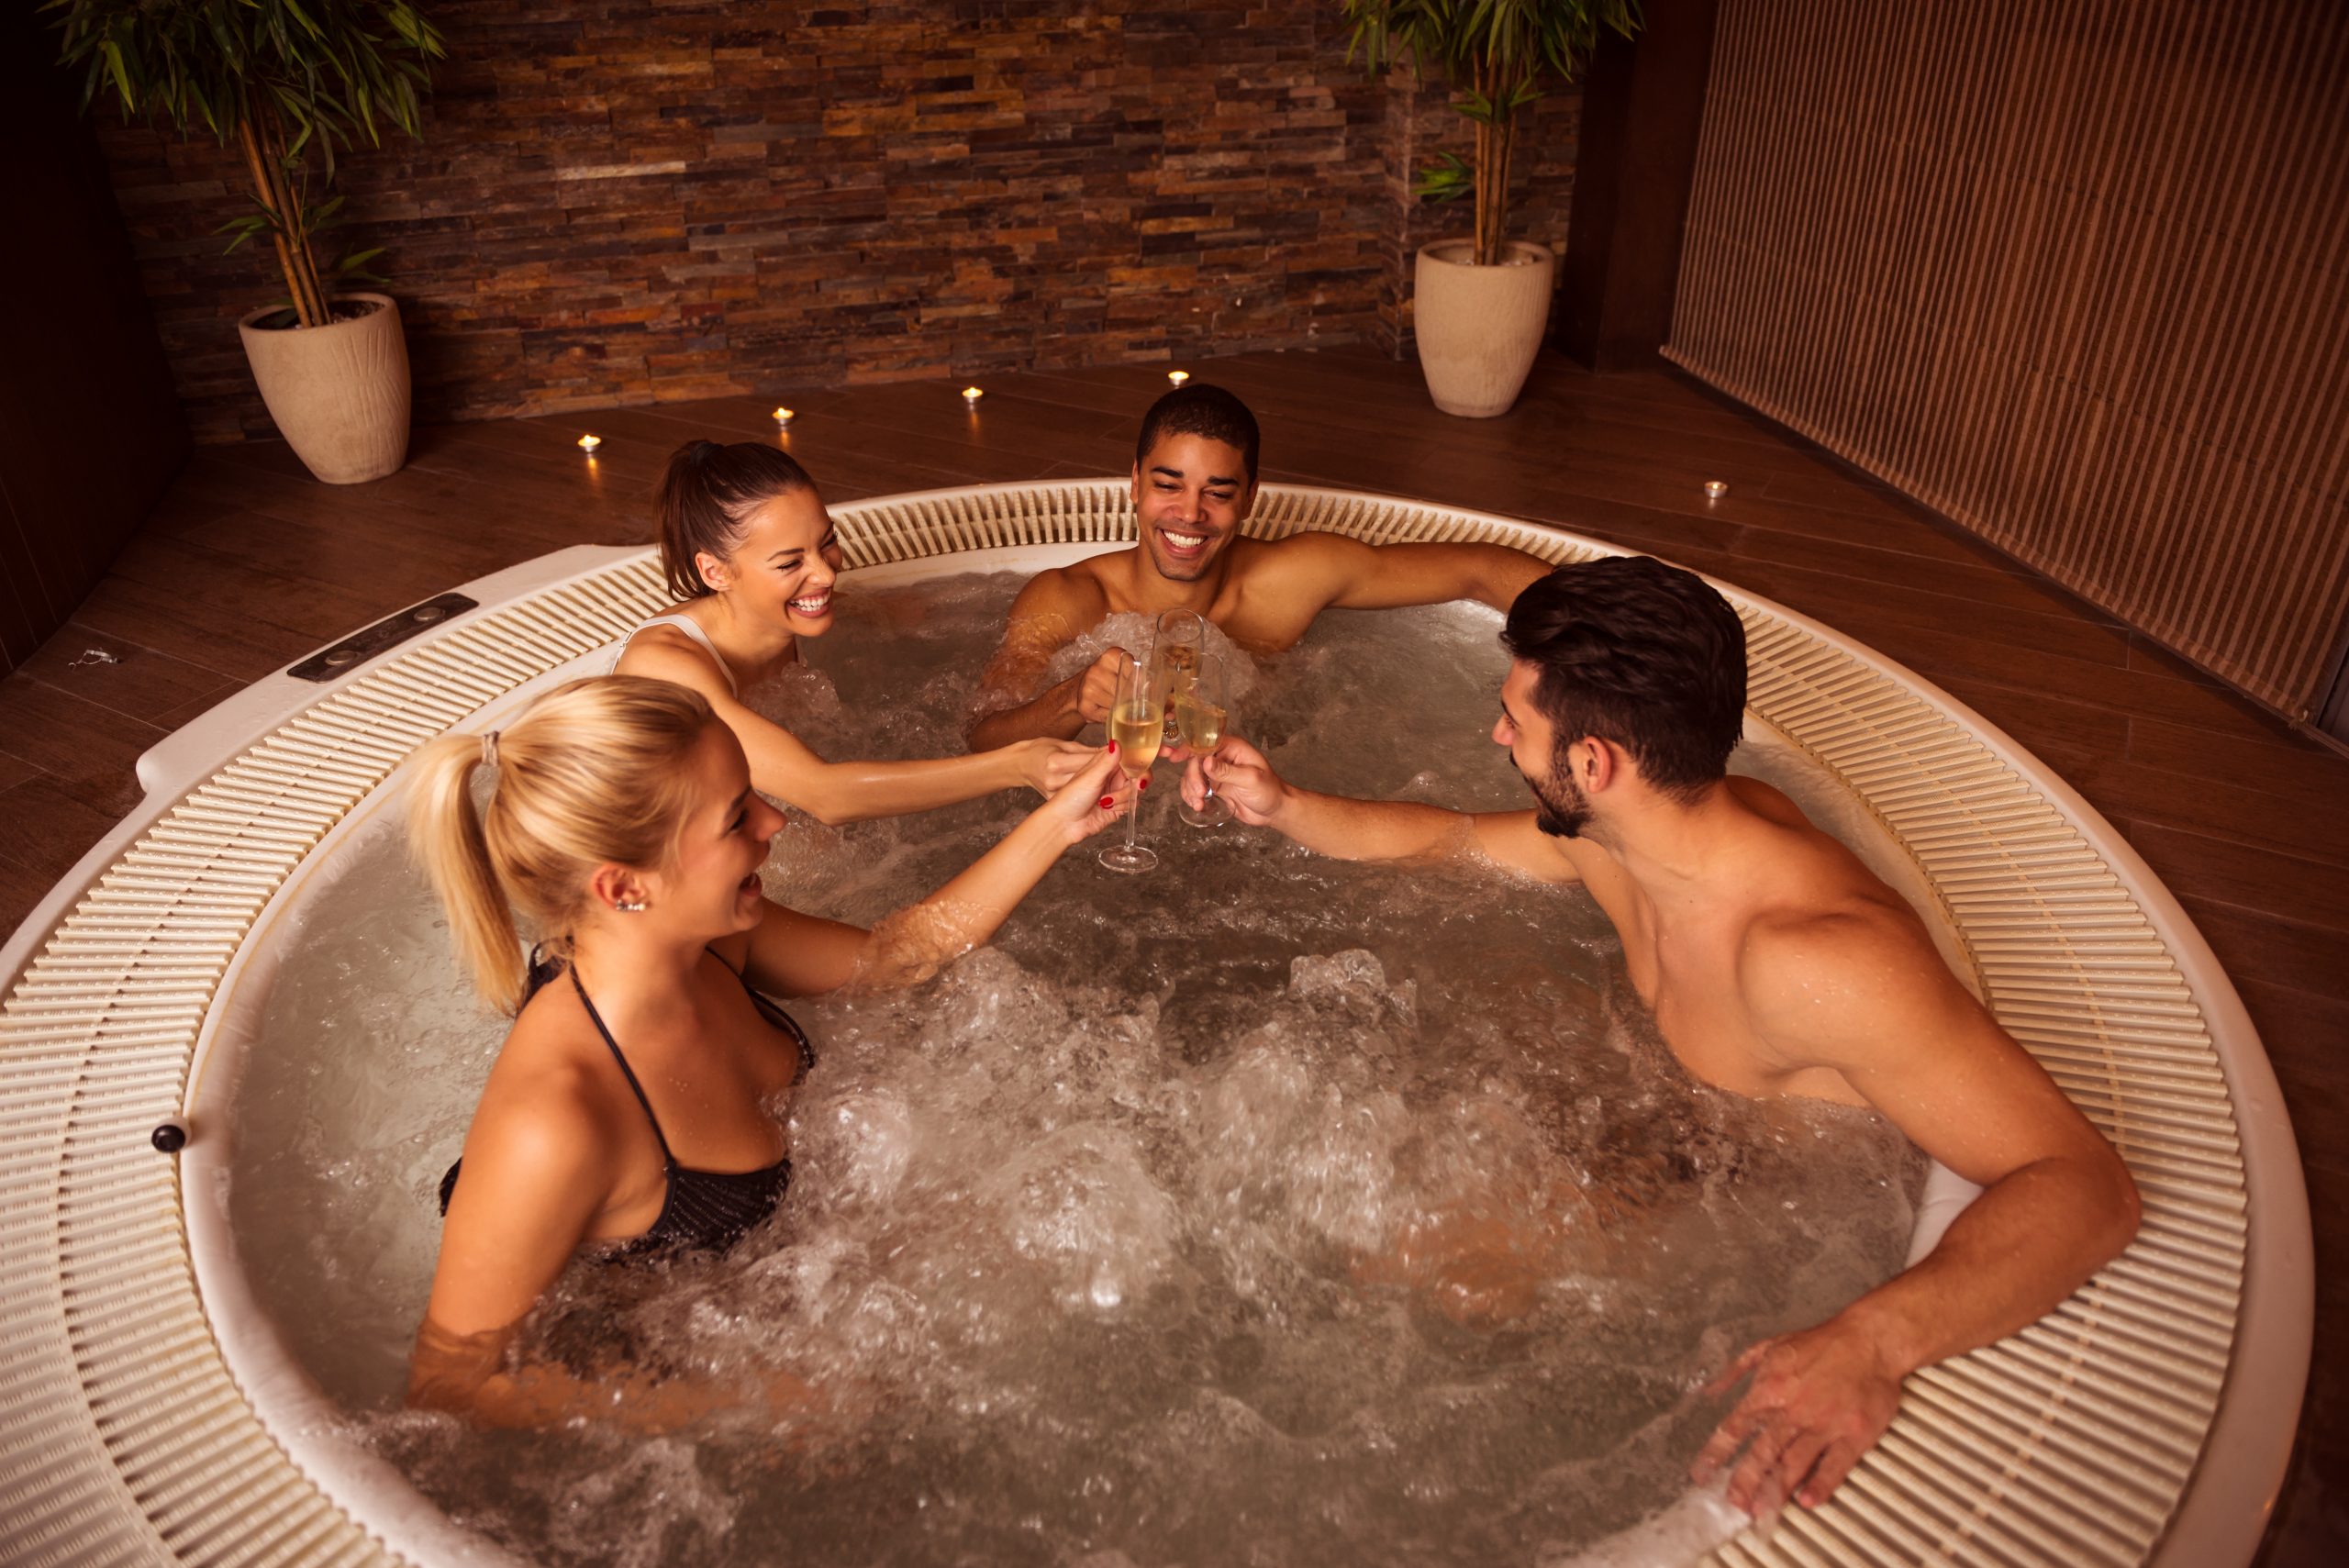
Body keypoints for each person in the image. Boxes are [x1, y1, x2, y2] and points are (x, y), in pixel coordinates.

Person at [1180, 554, 2141, 1518]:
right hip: (1663, 1109)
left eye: (1515, 720)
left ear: (1594, 763)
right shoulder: (1627, 838)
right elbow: (1454, 840)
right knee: (1359, 1225)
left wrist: (1874, 1340)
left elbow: (2085, 1183)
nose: (1497, 733)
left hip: (1751, 1190)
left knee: (1425, 1285)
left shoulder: (1820, 960)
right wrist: (1285, 805)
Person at [404, 675, 1130, 1427]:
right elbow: (447, 1387)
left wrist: (1058, 824)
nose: (775, 818)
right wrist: (756, 1404)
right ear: (623, 887)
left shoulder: (711, 938)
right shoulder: (556, 1120)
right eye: (735, 817)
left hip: (789, 1287)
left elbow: (893, 958)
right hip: (660, 1371)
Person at [966, 384, 1552, 749]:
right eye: (1168, 486)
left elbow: (1480, 567)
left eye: (1218, 493)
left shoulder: (1291, 579)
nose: (1189, 514)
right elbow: (982, 736)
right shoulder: (1069, 598)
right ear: (1136, 484)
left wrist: (1594, 643)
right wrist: (1070, 699)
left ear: (1249, 497)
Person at [614, 440, 1096, 823]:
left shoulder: (786, 612)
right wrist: (1016, 764)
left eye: (828, 542)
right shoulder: (666, 668)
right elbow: (826, 795)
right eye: (790, 563)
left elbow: (909, 614)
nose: (826, 574)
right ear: (715, 572)